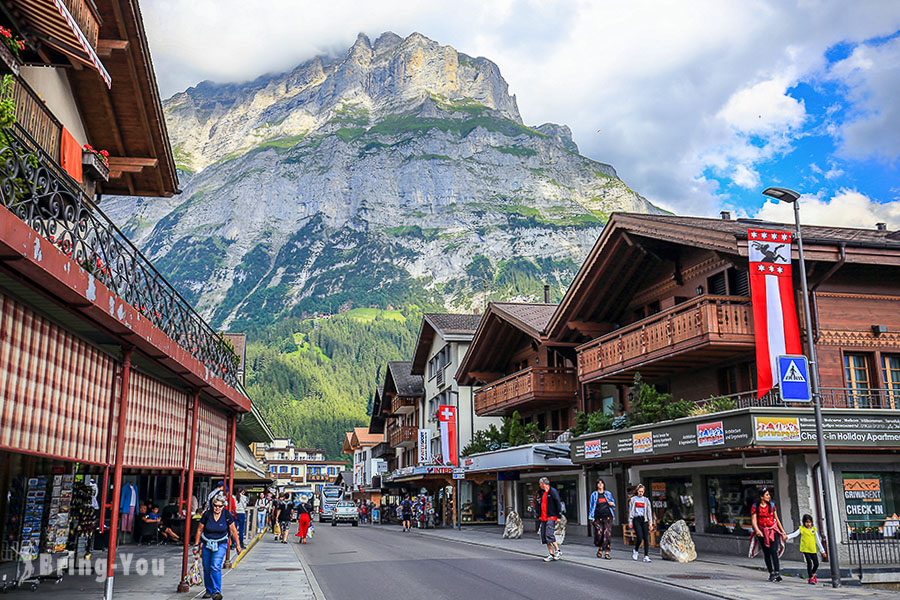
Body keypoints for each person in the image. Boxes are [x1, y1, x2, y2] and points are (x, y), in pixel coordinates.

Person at [193, 493, 241, 600]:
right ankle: (209, 590)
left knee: (215, 565)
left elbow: (233, 530)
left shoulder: (226, 515)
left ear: (223, 506)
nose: (217, 508)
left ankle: (217, 591)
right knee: (206, 567)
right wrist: (196, 545)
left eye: (220, 506)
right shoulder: (207, 514)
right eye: (215, 505)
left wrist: (238, 544)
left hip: (221, 543)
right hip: (206, 543)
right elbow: (199, 530)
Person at [749, 488, 787, 582]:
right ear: (761, 497)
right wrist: (758, 531)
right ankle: (771, 573)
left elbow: (776, 519)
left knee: (774, 550)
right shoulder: (755, 507)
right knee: (766, 553)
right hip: (762, 531)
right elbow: (754, 520)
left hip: (772, 530)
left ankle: (777, 572)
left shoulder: (772, 505)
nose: (769, 496)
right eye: (766, 495)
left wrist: (782, 532)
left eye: (769, 494)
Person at [787, 513, 827, 584]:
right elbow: (795, 534)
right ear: (804, 523)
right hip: (805, 549)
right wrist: (787, 536)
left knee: (816, 564)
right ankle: (810, 578)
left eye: (809, 522)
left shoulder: (814, 530)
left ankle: (813, 573)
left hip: (813, 549)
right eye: (806, 522)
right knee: (809, 563)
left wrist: (822, 551)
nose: (808, 524)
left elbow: (818, 541)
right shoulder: (801, 529)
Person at [589, 479, 616, 560]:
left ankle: (607, 552)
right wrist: (591, 517)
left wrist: (612, 504)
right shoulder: (594, 495)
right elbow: (591, 506)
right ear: (596, 485)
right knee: (599, 533)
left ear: (604, 485)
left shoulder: (607, 494)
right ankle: (600, 547)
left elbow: (613, 503)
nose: (600, 485)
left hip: (608, 516)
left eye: (602, 483)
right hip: (597, 517)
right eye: (598, 483)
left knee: (607, 534)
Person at [538, 477, 562, 562]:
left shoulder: (553, 492)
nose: (539, 485)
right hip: (543, 517)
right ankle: (551, 553)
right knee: (544, 536)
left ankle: (558, 551)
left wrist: (559, 516)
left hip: (551, 516)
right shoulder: (542, 493)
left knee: (549, 534)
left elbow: (558, 503)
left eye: (540, 483)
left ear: (543, 484)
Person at [628, 484, 654, 562]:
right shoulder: (633, 499)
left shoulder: (646, 500)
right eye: (639, 491)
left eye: (642, 491)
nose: (641, 493)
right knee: (639, 537)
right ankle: (636, 550)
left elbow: (649, 512)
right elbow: (630, 511)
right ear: (637, 491)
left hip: (644, 519)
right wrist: (630, 521)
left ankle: (646, 556)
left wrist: (650, 523)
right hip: (636, 519)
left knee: (646, 538)